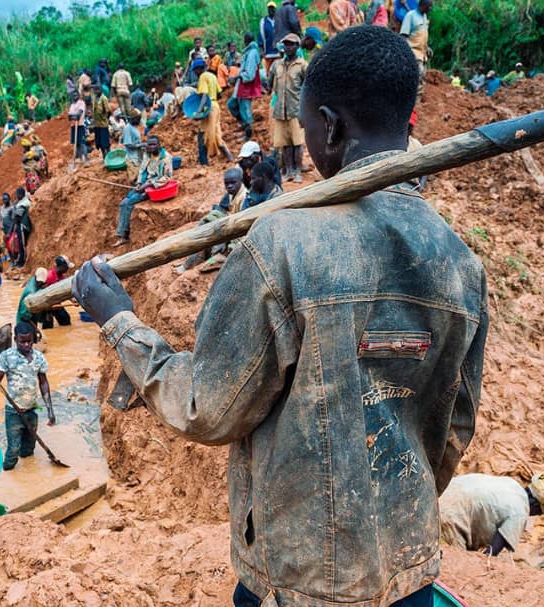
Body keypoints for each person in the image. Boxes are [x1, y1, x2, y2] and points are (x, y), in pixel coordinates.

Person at [72, 26, 488, 607]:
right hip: (407, 571)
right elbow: (455, 427)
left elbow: (207, 408)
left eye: (310, 126)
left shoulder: (282, 246)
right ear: (408, 121)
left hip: (298, 583)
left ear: (331, 126)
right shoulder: (462, 265)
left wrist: (119, 320)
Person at [439, 473, 544, 555]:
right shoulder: (519, 513)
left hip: (437, 497)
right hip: (451, 520)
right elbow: (490, 554)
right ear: (536, 506)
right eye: (539, 513)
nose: (535, 515)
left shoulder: (510, 483)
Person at [0, 323, 55, 470]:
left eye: (29, 341)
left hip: (31, 409)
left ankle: (27, 472)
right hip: (14, 411)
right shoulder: (6, 356)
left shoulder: (39, 357)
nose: (26, 345)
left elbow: (43, 383)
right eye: (22, 341)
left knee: (28, 448)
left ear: (34, 339)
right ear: (15, 339)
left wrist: (50, 410)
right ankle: (6, 471)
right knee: (13, 449)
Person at [177, 168, 247, 273]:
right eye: (227, 183)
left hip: (238, 233)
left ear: (241, 181)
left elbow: (242, 222)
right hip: (231, 226)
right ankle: (193, 261)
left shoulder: (244, 197)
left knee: (216, 231)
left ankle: (215, 257)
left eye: (233, 183)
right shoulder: (231, 194)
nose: (229, 186)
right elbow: (222, 208)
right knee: (207, 226)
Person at [115, 135, 173, 246]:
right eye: (149, 144)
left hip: (155, 186)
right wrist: (139, 183)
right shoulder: (147, 155)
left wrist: (149, 184)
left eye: (153, 144)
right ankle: (123, 232)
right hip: (145, 184)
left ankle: (123, 235)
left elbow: (167, 177)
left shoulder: (166, 157)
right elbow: (142, 171)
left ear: (159, 145)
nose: (151, 147)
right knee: (124, 203)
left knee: (127, 203)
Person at [267, 33, 309, 182]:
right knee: (285, 143)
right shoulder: (276, 65)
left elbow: (308, 85)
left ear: (297, 46)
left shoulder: (302, 65)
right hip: (280, 110)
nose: (288, 47)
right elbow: (269, 84)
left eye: (291, 44)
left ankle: (297, 171)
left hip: (296, 110)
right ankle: (289, 171)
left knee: (297, 143)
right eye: (286, 44)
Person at [193, 59, 235, 164]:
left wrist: (199, 112)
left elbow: (204, 96)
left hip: (208, 107)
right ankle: (229, 156)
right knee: (215, 133)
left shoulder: (203, 77)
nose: (195, 73)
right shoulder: (212, 76)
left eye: (195, 70)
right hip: (215, 106)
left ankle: (204, 162)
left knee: (203, 134)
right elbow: (220, 94)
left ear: (199, 69)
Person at [229, 33, 264, 142]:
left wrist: (237, 77)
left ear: (246, 40)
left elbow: (250, 74)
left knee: (245, 110)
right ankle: (244, 125)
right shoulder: (249, 52)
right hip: (242, 84)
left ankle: (248, 134)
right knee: (232, 104)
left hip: (246, 85)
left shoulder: (252, 53)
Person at [400, 0, 432, 99]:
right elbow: (404, 36)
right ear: (423, 5)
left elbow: (421, 35)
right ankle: (414, 99)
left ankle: (417, 100)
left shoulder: (424, 16)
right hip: (413, 50)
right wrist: (405, 53)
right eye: (429, 6)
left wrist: (427, 47)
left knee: (422, 76)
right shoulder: (411, 16)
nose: (431, 9)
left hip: (422, 53)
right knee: (418, 74)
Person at [42, 256, 76, 327]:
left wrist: (73, 300)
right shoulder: (49, 277)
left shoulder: (62, 277)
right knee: (48, 327)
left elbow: (65, 292)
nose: (68, 269)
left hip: (56, 304)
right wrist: (47, 311)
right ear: (62, 266)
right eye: (66, 267)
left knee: (66, 321)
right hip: (47, 307)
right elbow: (42, 295)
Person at [90, 84, 112, 158]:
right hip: (97, 124)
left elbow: (108, 111)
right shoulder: (94, 98)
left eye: (98, 89)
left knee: (105, 141)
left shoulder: (104, 98)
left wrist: (106, 119)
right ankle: (104, 156)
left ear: (101, 90)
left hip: (103, 123)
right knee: (99, 142)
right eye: (95, 90)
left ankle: (109, 156)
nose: (97, 91)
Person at [68, 92, 89, 166]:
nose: (74, 97)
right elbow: (69, 116)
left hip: (80, 125)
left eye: (76, 95)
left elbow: (79, 114)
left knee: (82, 143)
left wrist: (75, 116)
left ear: (78, 96)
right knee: (76, 144)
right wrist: (74, 116)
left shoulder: (81, 103)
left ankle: (86, 160)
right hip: (73, 126)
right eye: (73, 96)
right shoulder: (72, 105)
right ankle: (80, 159)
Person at [122, 112, 145, 177]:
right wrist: (141, 145)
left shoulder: (134, 127)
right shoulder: (128, 128)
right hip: (132, 158)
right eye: (138, 119)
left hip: (137, 156)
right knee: (134, 178)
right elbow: (128, 145)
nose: (139, 120)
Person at [259, 2, 280, 70]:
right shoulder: (263, 21)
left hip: (278, 53)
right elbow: (260, 36)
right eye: (269, 8)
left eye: (272, 8)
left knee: (278, 73)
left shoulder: (279, 20)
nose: (271, 10)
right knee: (268, 74)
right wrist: (261, 50)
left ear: (275, 9)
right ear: (268, 10)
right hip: (267, 53)